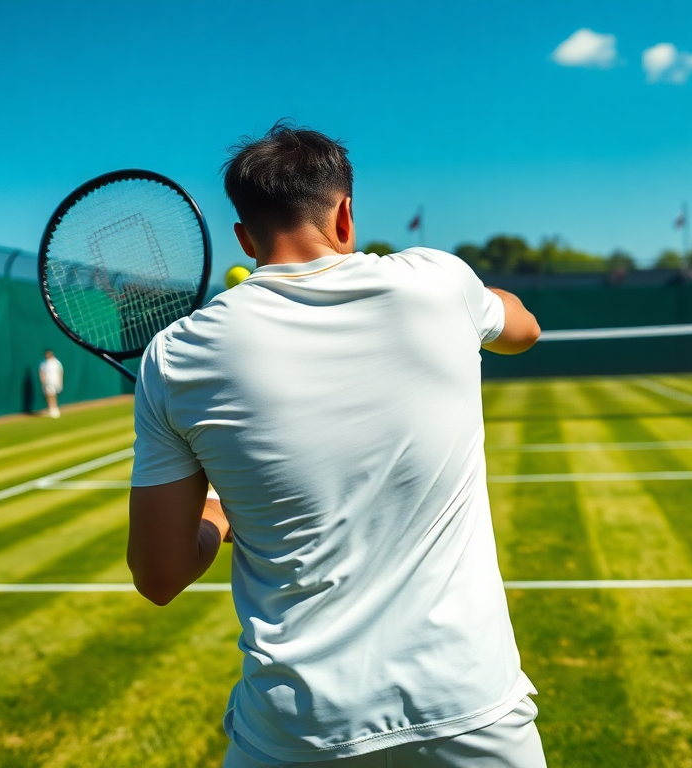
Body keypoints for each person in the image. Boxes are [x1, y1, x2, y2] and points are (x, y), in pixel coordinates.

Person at [126, 124, 544, 768]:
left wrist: (216, 513)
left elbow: (158, 578)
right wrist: (479, 300)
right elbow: (523, 329)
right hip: (470, 709)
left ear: (245, 238)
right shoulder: (440, 282)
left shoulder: (176, 354)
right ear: (345, 214)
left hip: (297, 730)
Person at [38, 349, 64, 418]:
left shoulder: (56, 362)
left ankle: (55, 408)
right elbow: (41, 372)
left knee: (53, 394)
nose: (47, 355)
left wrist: (60, 380)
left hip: (55, 381)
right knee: (49, 395)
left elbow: (60, 371)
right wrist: (43, 379)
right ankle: (51, 408)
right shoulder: (44, 363)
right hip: (47, 382)